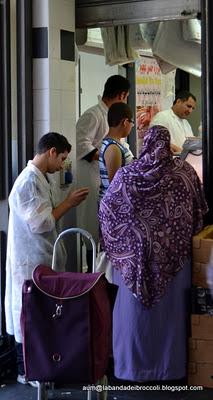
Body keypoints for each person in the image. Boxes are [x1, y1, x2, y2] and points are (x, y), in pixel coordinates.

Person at [99, 125, 207, 382]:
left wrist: (124, 246)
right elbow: (199, 211)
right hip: (174, 262)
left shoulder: (127, 175)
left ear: (146, 143)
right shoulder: (184, 173)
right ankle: (170, 369)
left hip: (134, 263)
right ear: (168, 144)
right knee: (170, 319)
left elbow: (107, 211)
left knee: (134, 317)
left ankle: (131, 369)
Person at [4, 132, 89, 386]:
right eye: (62, 158)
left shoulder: (40, 178)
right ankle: (26, 370)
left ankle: (37, 365)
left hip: (40, 256)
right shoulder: (28, 182)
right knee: (27, 313)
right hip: (29, 259)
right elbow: (41, 222)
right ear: (51, 151)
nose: (62, 165)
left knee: (38, 313)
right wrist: (69, 203)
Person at [76, 75, 130, 271]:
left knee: (104, 231)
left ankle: (102, 270)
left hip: (106, 179)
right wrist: (108, 156)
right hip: (92, 179)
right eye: (126, 97)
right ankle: (93, 273)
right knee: (92, 228)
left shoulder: (111, 115)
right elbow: (81, 144)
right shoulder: (93, 114)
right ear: (122, 94)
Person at [99, 102, 134, 202]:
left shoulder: (116, 143)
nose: (132, 126)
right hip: (113, 206)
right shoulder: (113, 148)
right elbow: (115, 185)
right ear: (125, 122)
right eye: (132, 122)